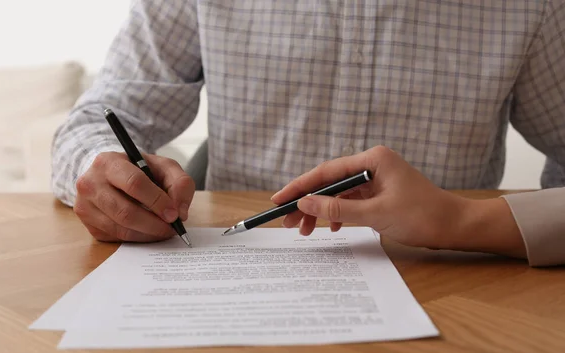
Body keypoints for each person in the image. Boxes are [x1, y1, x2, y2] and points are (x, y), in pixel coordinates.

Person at [52, 0, 565, 266]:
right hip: (233, 289)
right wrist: (100, 169)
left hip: (456, 286)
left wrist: (466, 221)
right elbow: (94, 121)